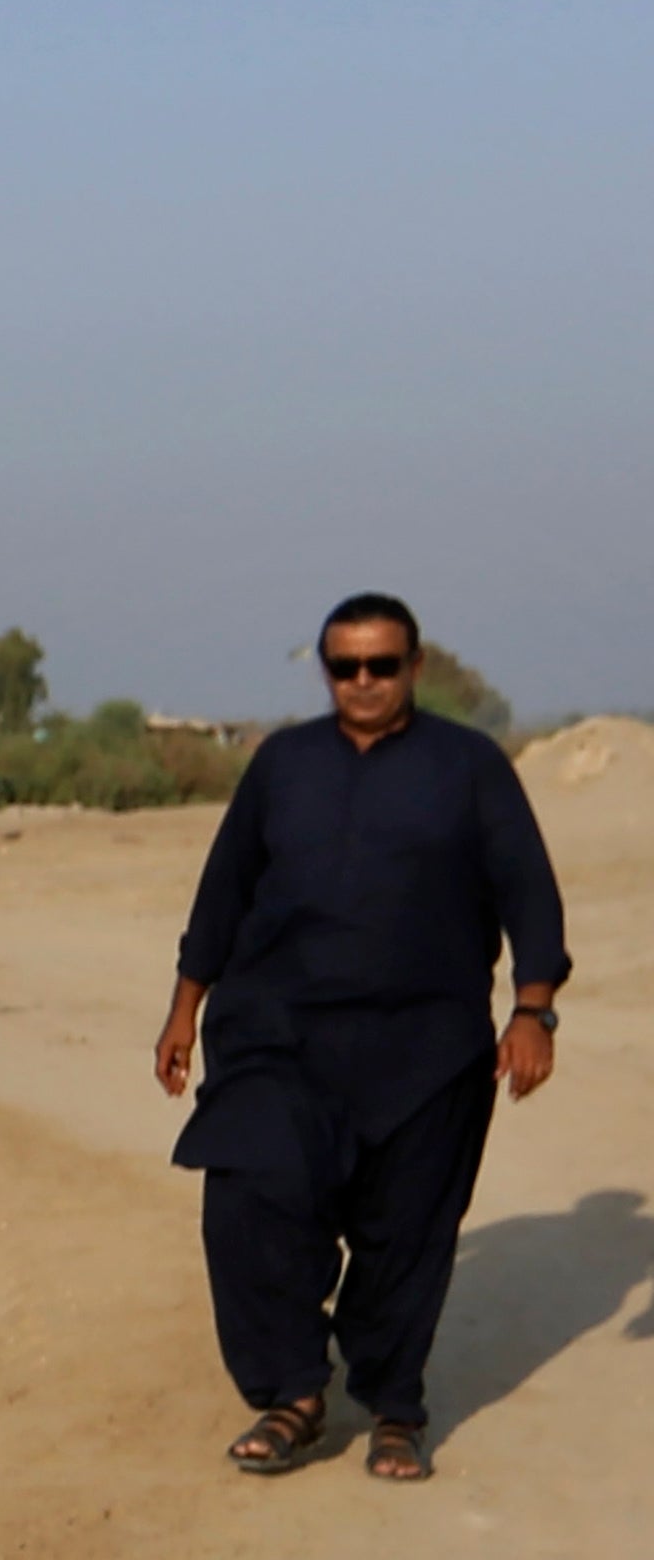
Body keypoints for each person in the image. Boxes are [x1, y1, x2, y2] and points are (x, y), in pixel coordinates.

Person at [159, 591, 570, 1482]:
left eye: (382, 665)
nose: (363, 681)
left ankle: (393, 1406)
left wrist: (532, 1011)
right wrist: (185, 1004)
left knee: (406, 1230)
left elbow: (527, 890)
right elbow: (224, 887)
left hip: (425, 1046)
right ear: (326, 670)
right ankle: (294, 1394)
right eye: (345, 666)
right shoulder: (282, 764)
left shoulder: (468, 766)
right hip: (276, 1034)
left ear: (415, 668)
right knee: (250, 1199)